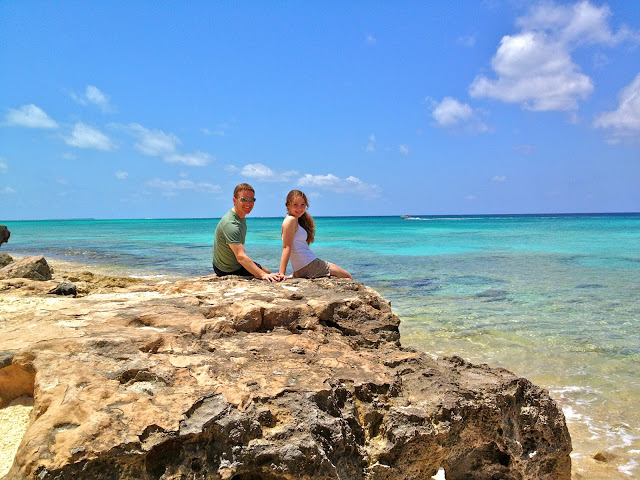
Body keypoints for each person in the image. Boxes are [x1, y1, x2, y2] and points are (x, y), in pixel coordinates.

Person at [213, 183, 283, 282]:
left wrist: (263, 273)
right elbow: (241, 257)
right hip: (227, 269)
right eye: (244, 199)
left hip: (230, 264)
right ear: (234, 200)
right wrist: (262, 275)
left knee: (268, 271)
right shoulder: (231, 224)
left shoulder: (240, 216)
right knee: (267, 276)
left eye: (252, 200)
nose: (248, 203)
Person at [279, 190, 352, 279]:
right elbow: (286, 247)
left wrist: (295, 273)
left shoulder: (295, 220)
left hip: (303, 267)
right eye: (295, 204)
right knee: (347, 276)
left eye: (303, 205)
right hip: (308, 265)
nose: (299, 208)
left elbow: (298, 247)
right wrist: (281, 273)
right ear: (287, 205)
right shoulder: (291, 220)